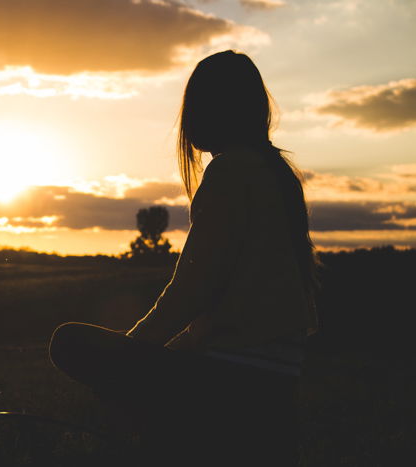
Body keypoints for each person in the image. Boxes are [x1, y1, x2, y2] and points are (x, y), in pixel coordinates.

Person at [49, 50, 319, 466]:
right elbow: (224, 299)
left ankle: (182, 434)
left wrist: (128, 352)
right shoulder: (278, 174)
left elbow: (192, 289)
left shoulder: (231, 171)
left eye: (196, 104)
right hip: (277, 382)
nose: (188, 118)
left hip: (233, 382)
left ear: (218, 109)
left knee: (68, 340)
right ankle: (177, 436)